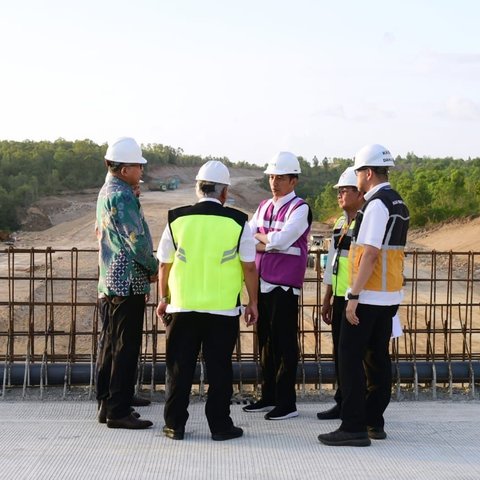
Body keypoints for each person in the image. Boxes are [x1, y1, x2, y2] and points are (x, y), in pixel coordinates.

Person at [156, 160, 258, 441]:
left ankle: (174, 425)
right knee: (220, 370)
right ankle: (220, 426)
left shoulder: (176, 220)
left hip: (182, 308)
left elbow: (164, 264)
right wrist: (253, 303)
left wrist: (163, 298)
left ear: (197, 188)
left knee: (179, 368)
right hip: (222, 310)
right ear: (224, 192)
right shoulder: (239, 222)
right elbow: (249, 267)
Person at [318, 144, 409, 447]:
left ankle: (354, 426)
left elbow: (369, 253)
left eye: (358, 172)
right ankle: (374, 421)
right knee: (378, 359)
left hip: (369, 295)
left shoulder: (376, 204)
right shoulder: (397, 202)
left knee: (350, 357)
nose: (357, 178)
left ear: (368, 173)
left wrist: (353, 294)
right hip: (388, 295)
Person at [243, 152, 312, 420]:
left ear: (293, 180)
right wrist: (266, 240)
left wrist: (262, 239)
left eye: (281, 177)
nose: (275, 182)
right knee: (266, 342)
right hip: (262, 282)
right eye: (272, 176)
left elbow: (281, 242)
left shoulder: (300, 208)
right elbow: (249, 236)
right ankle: (268, 395)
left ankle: (287, 402)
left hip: (283, 286)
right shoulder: (263, 206)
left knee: (284, 344)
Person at [96, 137, 158, 429]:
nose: (141, 170)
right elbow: (136, 240)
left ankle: (107, 402)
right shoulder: (121, 196)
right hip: (127, 281)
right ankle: (118, 410)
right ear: (123, 169)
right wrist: (153, 266)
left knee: (111, 344)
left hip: (110, 279)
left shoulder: (107, 191)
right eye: (137, 165)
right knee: (125, 346)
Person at [317, 167, 364, 420]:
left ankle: (355, 404)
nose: (340, 195)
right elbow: (332, 263)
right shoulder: (339, 223)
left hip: (357, 297)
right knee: (339, 353)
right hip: (339, 296)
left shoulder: (365, 221)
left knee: (353, 354)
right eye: (339, 191)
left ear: (359, 193)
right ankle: (342, 400)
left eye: (345, 190)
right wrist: (327, 298)